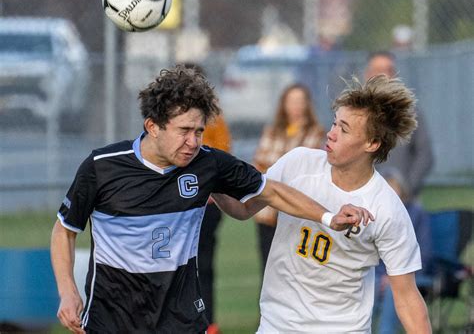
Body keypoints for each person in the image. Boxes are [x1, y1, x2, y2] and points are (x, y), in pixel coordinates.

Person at [50, 65, 372, 334]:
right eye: (184, 130)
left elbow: (270, 192)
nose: (193, 142)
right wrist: (67, 292)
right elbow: (64, 230)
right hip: (112, 319)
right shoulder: (102, 167)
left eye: (200, 131)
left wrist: (329, 217)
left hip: (181, 319)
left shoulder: (207, 163)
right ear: (152, 126)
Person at [214, 74, 431, 333]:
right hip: (277, 326)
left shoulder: (387, 208)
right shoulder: (298, 163)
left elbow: (407, 297)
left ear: (372, 143)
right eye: (334, 123)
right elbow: (243, 209)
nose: (331, 134)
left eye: (344, 129)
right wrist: (210, 180)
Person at [253, 84, 326, 272]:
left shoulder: (316, 133)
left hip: (298, 211)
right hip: (268, 212)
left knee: (295, 269)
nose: (296, 106)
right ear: (284, 104)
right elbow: (259, 165)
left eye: (300, 101)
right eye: (292, 101)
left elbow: (309, 170)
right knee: (268, 268)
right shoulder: (272, 131)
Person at [365, 50, 434, 200]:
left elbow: (425, 156)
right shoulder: (354, 112)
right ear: (367, 74)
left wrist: (405, 188)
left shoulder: (411, 112)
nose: (383, 76)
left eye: (388, 70)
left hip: (403, 201)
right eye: (377, 70)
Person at [374, 167, 433, 334]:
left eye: (394, 189)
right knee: (367, 284)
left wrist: (393, 276)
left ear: (402, 190)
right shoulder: (374, 215)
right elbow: (371, 255)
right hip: (379, 275)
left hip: (410, 272)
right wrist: (381, 276)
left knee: (395, 288)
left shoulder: (416, 213)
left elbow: (425, 253)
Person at [199, 113, 232, 334]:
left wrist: (213, 187)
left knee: (203, 264)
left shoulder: (213, 120)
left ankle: (207, 322)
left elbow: (222, 156)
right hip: (175, 203)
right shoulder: (170, 117)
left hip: (207, 204)